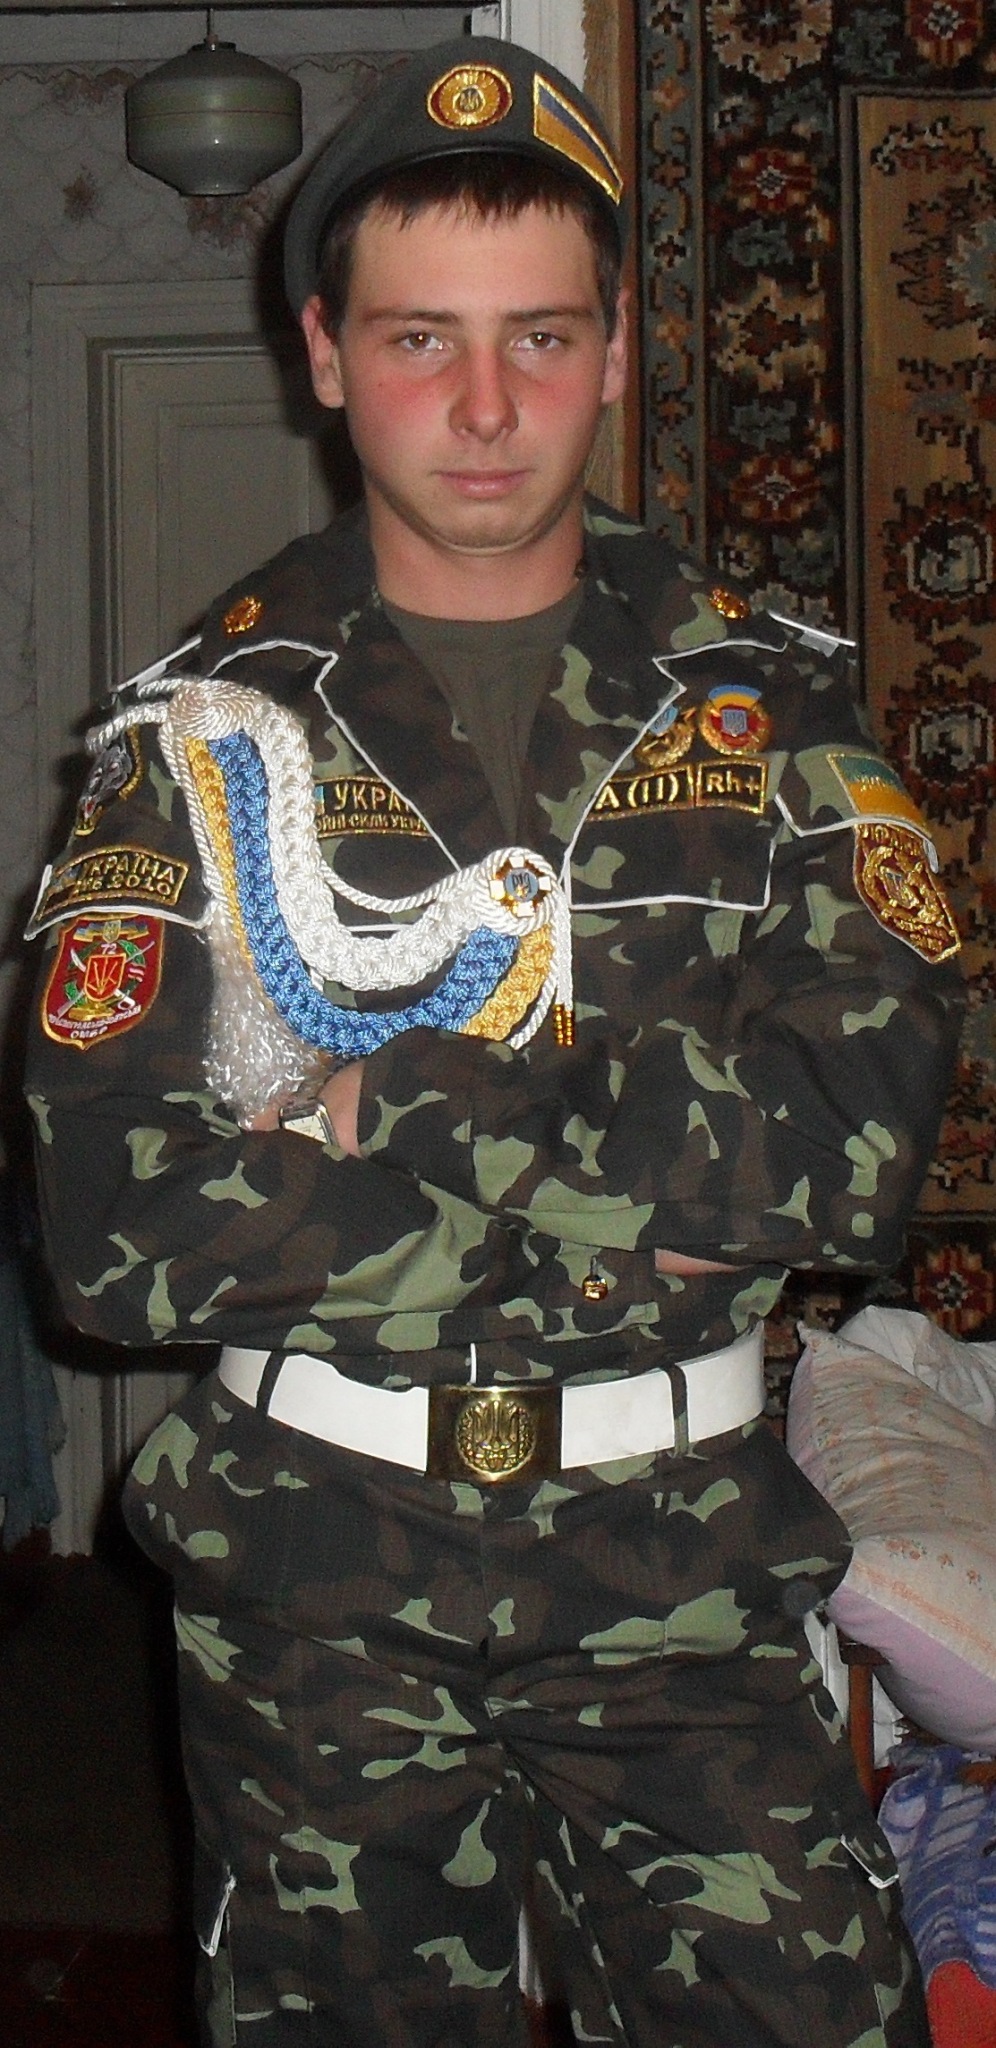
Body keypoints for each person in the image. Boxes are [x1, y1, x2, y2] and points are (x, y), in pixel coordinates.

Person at [23, 33, 964, 2048]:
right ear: (324, 353)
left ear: (615, 352)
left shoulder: (775, 710)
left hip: (686, 1574)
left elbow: (844, 1160)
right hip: (317, 1584)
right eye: (419, 339)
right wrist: (637, 1173)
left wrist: (381, 1103)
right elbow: (115, 1231)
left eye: (540, 337)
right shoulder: (202, 742)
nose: (482, 406)